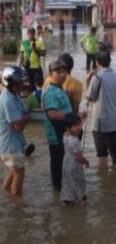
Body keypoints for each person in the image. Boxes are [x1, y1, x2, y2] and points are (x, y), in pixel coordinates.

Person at [86, 51, 116, 166]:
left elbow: (89, 97)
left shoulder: (97, 78)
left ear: (97, 63)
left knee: (102, 155)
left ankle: (104, 181)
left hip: (100, 124)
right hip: (115, 122)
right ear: (110, 62)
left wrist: (87, 81)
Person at [42, 60, 73, 191]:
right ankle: (58, 190)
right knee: (57, 163)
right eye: (58, 72)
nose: (62, 75)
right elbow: (52, 114)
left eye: (64, 72)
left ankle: (60, 190)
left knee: (61, 163)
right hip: (56, 134)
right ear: (50, 74)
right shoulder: (50, 92)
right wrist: (72, 118)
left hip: (63, 132)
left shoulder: (60, 89)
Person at [0, 66, 30, 197]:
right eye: (18, 83)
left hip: (11, 143)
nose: (21, 85)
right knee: (19, 172)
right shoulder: (7, 100)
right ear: (10, 84)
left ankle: (6, 192)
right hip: (11, 145)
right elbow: (18, 126)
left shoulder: (12, 94)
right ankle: (16, 202)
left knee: (13, 170)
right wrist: (26, 117)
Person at [60, 113, 89, 204]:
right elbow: (79, 157)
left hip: (66, 164)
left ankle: (68, 199)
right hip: (74, 166)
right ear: (68, 128)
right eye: (75, 126)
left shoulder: (65, 135)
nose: (79, 127)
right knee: (77, 182)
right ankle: (80, 200)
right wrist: (86, 161)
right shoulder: (74, 141)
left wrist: (82, 119)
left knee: (68, 183)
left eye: (79, 124)